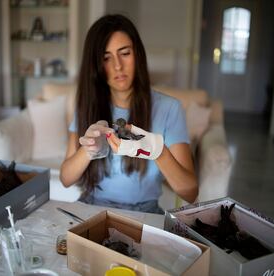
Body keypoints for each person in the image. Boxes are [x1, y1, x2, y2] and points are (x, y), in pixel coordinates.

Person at [59, 14, 197, 214]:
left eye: (125, 53)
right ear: (96, 66)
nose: (117, 66)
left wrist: (157, 151)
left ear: (138, 54)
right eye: (106, 58)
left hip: (144, 213)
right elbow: (65, 179)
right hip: (91, 206)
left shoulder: (169, 108)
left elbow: (191, 193)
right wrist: (88, 149)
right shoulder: (87, 106)